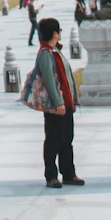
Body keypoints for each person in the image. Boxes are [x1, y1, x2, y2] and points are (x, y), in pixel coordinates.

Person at [34, 17, 83, 189]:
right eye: (59, 30)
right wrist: (58, 102)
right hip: (56, 107)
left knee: (66, 140)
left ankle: (68, 173)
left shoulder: (55, 51)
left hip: (66, 105)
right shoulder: (45, 54)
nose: (60, 33)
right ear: (55, 33)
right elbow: (49, 80)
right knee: (54, 140)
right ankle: (51, 175)